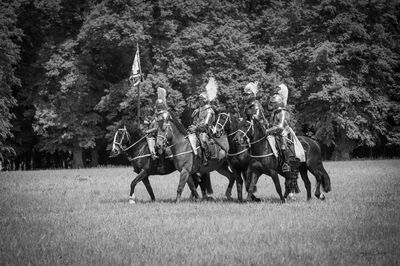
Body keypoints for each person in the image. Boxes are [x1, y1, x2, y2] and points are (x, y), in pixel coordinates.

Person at [265, 83, 300, 194]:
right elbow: (271, 124)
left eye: (273, 103)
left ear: (278, 103)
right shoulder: (274, 113)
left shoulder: (283, 112)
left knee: (283, 145)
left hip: (283, 133)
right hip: (273, 133)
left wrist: (268, 130)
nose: (272, 105)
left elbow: (280, 126)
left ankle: (286, 164)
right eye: (272, 103)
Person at [188, 78, 218, 166]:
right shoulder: (198, 110)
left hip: (207, 130)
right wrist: (192, 126)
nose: (199, 101)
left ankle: (206, 157)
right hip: (198, 128)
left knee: (203, 139)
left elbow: (206, 124)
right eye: (199, 100)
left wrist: (196, 127)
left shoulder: (209, 111)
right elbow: (195, 121)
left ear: (204, 100)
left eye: (200, 100)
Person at [145, 87, 169, 160]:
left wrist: (149, 131)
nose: (158, 106)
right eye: (157, 105)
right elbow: (152, 123)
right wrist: (147, 123)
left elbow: (158, 127)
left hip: (162, 134)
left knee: (151, 140)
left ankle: (154, 155)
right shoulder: (156, 114)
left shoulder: (164, 114)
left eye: (159, 105)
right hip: (154, 133)